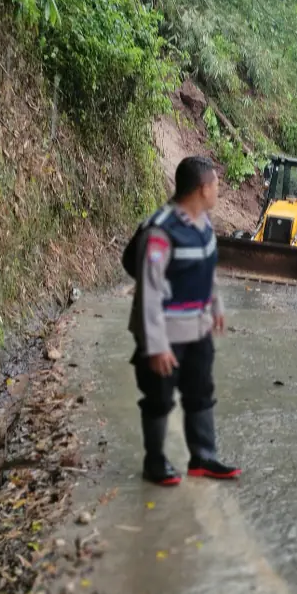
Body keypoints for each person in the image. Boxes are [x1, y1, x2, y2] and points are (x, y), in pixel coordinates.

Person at [126, 155, 242, 486]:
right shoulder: (161, 231)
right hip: (165, 332)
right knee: (159, 398)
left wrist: (215, 305)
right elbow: (148, 292)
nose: (219, 191)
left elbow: (207, 269)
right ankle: (155, 462)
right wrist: (157, 345)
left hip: (197, 328)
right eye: (216, 185)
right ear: (203, 189)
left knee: (200, 391)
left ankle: (203, 457)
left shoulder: (204, 224)